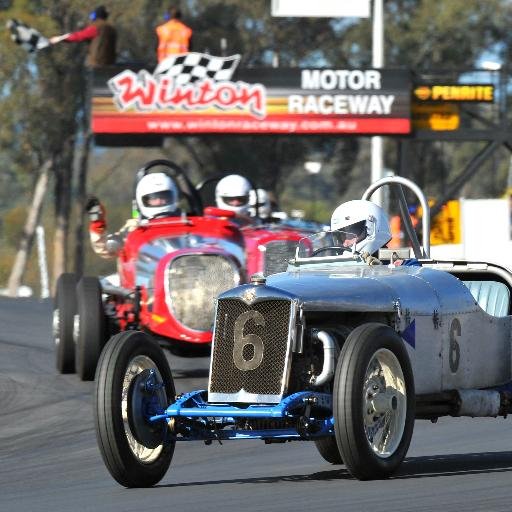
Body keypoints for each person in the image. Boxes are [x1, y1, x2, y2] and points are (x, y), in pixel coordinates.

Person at [86, 172, 180, 258]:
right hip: (145, 273)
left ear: (173, 196)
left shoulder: (187, 222)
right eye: (153, 199)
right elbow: (106, 249)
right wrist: (98, 224)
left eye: (164, 197)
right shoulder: (135, 227)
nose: (159, 201)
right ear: (143, 200)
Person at [330, 199, 420, 266]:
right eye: (341, 236)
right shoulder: (335, 265)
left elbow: (414, 270)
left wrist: (381, 271)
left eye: (350, 235)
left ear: (371, 228)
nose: (345, 244)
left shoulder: (402, 264)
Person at [49, 5, 116, 67]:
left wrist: (60, 38)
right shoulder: (112, 29)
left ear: (95, 16)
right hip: (110, 65)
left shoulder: (96, 27)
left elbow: (78, 36)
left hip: (97, 65)